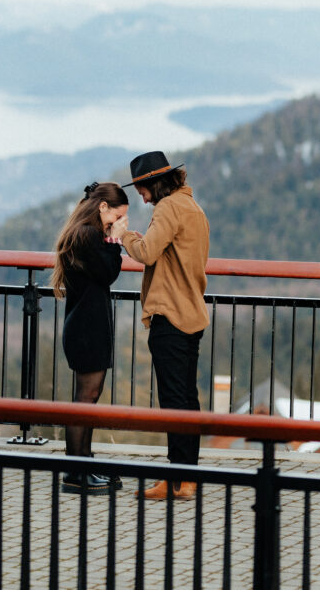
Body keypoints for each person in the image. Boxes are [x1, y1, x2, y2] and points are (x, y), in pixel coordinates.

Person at [113, 151, 209, 501]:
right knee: (187, 399)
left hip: (170, 315)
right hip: (193, 313)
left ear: (153, 182)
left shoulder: (167, 209)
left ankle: (174, 481)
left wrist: (124, 236)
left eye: (140, 187)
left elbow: (148, 253)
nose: (140, 194)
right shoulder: (193, 208)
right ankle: (188, 478)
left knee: (173, 402)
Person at [51, 180, 129, 495]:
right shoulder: (86, 236)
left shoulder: (85, 234)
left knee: (89, 399)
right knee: (84, 400)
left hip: (87, 326)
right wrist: (115, 240)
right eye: (116, 217)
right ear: (102, 207)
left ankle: (83, 462)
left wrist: (111, 237)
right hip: (86, 329)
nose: (117, 223)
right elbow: (108, 272)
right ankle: (75, 472)